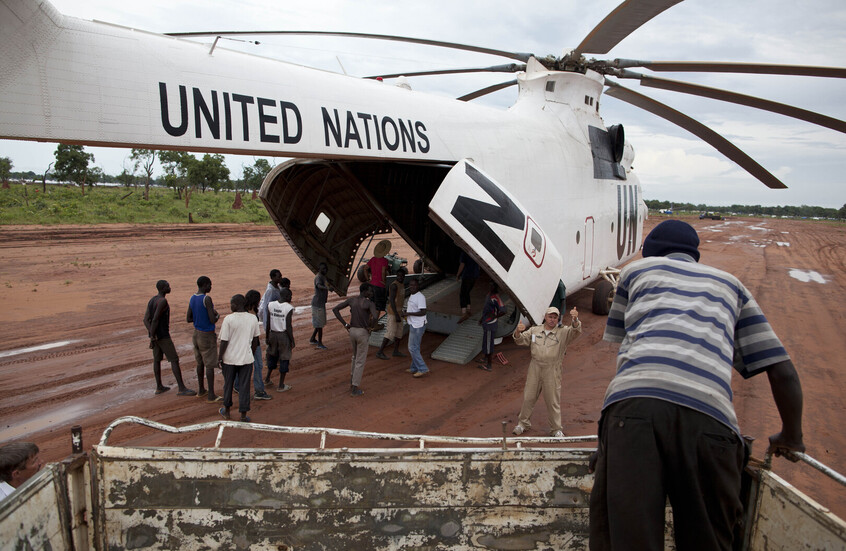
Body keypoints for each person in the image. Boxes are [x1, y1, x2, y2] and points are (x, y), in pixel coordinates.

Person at [588, 220, 804, 551]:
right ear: (695, 255)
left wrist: (609, 446)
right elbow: (783, 371)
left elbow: (626, 348)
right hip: (712, 419)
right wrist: (792, 436)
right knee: (709, 538)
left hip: (634, 409)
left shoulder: (635, 272)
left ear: (649, 252)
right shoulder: (732, 286)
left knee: (628, 538)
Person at [511, 306, 582, 437]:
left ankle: (556, 429)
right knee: (528, 397)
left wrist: (575, 320)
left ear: (558, 319)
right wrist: (517, 332)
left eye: (555, 317)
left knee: (552, 401)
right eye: (550, 317)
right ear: (545, 317)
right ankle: (522, 424)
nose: (552, 319)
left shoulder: (563, 332)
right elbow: (521, 340)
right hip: (535, 367)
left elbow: (575, 331)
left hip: (552, 369)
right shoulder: (535, 330)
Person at [143, 280, 196, 396]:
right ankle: (181, 388)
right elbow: (155, 319)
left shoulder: (152, 300)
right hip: (163, 335)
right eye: (167, 286)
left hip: (156, 336)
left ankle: (159, 387)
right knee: (174, 360)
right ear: (163, 289)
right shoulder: (163, 301)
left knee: (157, 360)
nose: (169, 288)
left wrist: (152, 335)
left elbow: (146, 319)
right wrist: (153, 335)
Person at [218, 294, 260, 423]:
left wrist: (219, 357)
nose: (230, 306)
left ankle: (227, 411)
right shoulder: (253, 318)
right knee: (244, 386)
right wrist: (250, 353)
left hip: (229, 359)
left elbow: (224, 341)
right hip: (246, 359)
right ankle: (243, 415)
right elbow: (255, 340)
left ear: (236, 305)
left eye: (231, 304)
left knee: (228, 385)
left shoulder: (228, 319)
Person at [332, 283, 377, 396]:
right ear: (365, 291)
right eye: (370, 291)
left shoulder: (352, 300)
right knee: (360, 361)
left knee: (355, 357)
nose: (371, 293)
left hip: (352, 331)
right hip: (362, 332)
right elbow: (375, 317)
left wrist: (345, 324)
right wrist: (371, 327)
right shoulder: (369, 303)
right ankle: (355, 387)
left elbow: (335, 309)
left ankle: (352, 382)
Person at [186, 276, 222, 402]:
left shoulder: (192, 297)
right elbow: (212, 319)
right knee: (210, 364)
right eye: (209, 285)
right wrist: (217, 315)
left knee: (200, 362)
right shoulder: (206, 299)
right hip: (207, 334)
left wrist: (199, 318)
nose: (211, 287)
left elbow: (188, 318)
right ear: (205, 285)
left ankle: (201, 389)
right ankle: (211, 395)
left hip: (196, 333)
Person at [244, 290, 272, 400]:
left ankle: (238, 386)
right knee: (258, 366)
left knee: (243, 366)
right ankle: (259, 391)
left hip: (246, 342)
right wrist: (254, 349)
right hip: (254, 344)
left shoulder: (245, 311)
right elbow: (254, 336)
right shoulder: (252, 314)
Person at [266, 287, 295, 392]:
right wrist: (292, 340)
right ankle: (281, 385)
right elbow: (288, 326)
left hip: (272, 334)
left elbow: (268, 322)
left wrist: (267, 336)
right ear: (287, 296)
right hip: (283, 335)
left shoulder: (271, 305)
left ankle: (267, 379)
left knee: (272, 356)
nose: (291, 298)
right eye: (290, 296)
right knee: (284, 358)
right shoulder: (289, 308)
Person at [376, 268, 407, 360]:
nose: (400, 277)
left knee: (399, 333)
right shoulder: (394, 286)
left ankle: (396, 351)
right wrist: (396, 314)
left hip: (399, 312)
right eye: (398, 276)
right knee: (390, 333)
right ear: (396, 276)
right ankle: (380, 351)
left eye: (402, 276)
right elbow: (392, 301)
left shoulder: (402, 285)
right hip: (393, 313)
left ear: (404, 276)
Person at [476, 281, 505, 371]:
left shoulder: (496, 298)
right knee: (486, 342)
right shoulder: (489, 295)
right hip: (486, 322)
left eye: (492, 286)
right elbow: (486, 309)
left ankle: (489, 365)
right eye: (490, 285)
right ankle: (485, 358)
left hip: (490, 324)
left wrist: (495, 316)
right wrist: (482, 319)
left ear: (495, 287)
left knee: (489, 344)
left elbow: (504, 311)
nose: (490, 287)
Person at [404, 278, 430, 378]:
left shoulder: (420, 297)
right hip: (414, 324)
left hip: (418, 325)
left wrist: (409, 313)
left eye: (414, 285)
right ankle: (414, 367)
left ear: (418, 286)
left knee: (412, 347)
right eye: (411, 285)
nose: (412, 287)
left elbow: (423, 312)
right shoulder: (412, 295)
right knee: (416, 347)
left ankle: (423, 368)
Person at [365, 239, 391, 323]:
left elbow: (365, 268)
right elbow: (383, 272)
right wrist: (383, 281)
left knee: (372, 305)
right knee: (378, 307)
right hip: (379, 286)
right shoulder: (385, 261)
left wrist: (368, 279)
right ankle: (374, 324)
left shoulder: (372, 259)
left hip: (372, 285)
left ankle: (368, 322)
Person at [309, 263, 330, 350]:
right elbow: (319, 285)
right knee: (320, 324)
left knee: (319, 324)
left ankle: (313, 338)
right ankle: (320, 343)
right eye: (323, 269)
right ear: (319, 269)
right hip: (318, 304)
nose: (325, 270)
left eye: (326, 268)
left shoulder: (323, 277)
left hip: (320, 303)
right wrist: (327, 288)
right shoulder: (319, 277)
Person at [456, 250, 480, 323]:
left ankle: (464, 313)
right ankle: (469, 309)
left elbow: (462, 264)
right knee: (467, 292)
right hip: (474, 275)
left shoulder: (464, 253)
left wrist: (458, 274)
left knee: (462, 293)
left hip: (467, 275)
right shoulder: (475, 252)